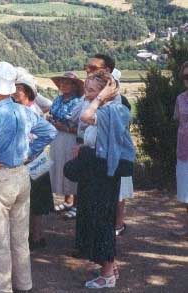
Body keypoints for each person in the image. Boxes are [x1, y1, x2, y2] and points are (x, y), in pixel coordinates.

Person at [0, 62, 57, 293]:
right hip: (21, 174)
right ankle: (24, 284)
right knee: (20, 236)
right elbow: (49, 132)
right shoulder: (24, 110)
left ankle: (2, 288)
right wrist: (30, 154)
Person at [71, 71, 135, 289]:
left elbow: (85, 117)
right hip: (97, 170)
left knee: (103, 221)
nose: (87, 93)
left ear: (106, 90)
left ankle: (107, 274)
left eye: (91, 89)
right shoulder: (105, 109)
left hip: (105, 174)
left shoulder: (113, 109)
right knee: (99, 219)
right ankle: (110, 267)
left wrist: (99, 99)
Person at [83, 54, 133, 235]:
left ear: (108, 72)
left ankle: (116, 226)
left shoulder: (116, 105)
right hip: (97, 158)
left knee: (113, 196)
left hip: (108, 161)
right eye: (87, 67)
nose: (88, 71)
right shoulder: (94, 100)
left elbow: (116, 134)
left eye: (94, 68)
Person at [13, 71, 54, 251]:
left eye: (19, 89)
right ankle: (32, 236)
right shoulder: (21, 109)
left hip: (35, 160)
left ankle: (35, 236)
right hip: (33, 159)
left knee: (36, 200)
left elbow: (40, 136)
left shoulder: (31, 111)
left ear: (28, 92)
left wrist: (30, 154)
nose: (15, 92)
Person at [49, 72, 83, 218]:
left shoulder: (79, 102)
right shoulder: (58, 99)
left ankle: (76, 204)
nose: (63, 85)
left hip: (70, 139)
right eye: (62, 83)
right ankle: (67, 201)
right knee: (61, 166)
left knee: (72, 168)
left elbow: (82, 126)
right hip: (57, 138)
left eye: (67, 83)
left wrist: (67, 128)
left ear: (74, 86)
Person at [173, 61, 188, 237]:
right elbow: (178, 120)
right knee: (186, 193)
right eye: (185, 77)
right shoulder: (180, 99)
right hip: (184, 149)